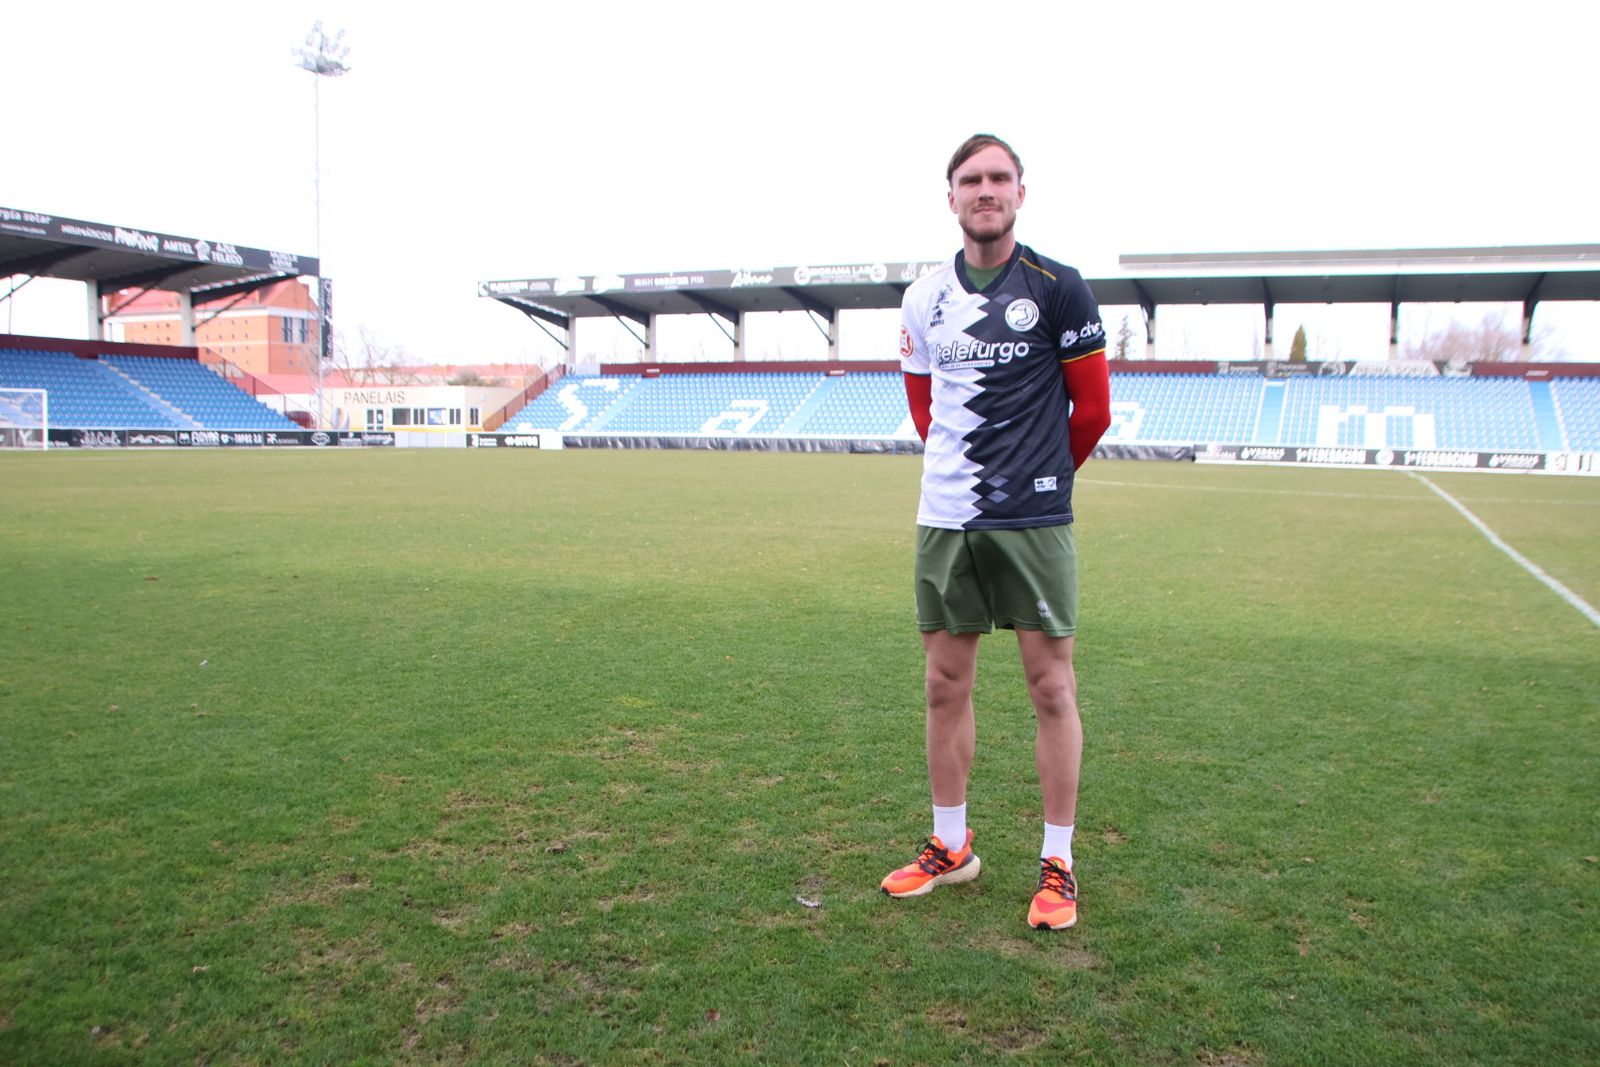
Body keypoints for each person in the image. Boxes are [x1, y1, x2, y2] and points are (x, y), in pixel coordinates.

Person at [881, 133, 1112, 931]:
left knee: (1051, 687)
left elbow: (1093, 410)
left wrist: (1041, 477)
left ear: (1020, 192)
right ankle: (952, 845)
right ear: (951, 196)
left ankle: (1059, 861)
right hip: (947, 519)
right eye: (971, 179)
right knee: (944, 683)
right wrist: (966, 478)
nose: (986, 190)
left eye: (999, 178)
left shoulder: (1060, 288)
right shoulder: (923, 298)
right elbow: (925, 409)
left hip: (1034, 519)